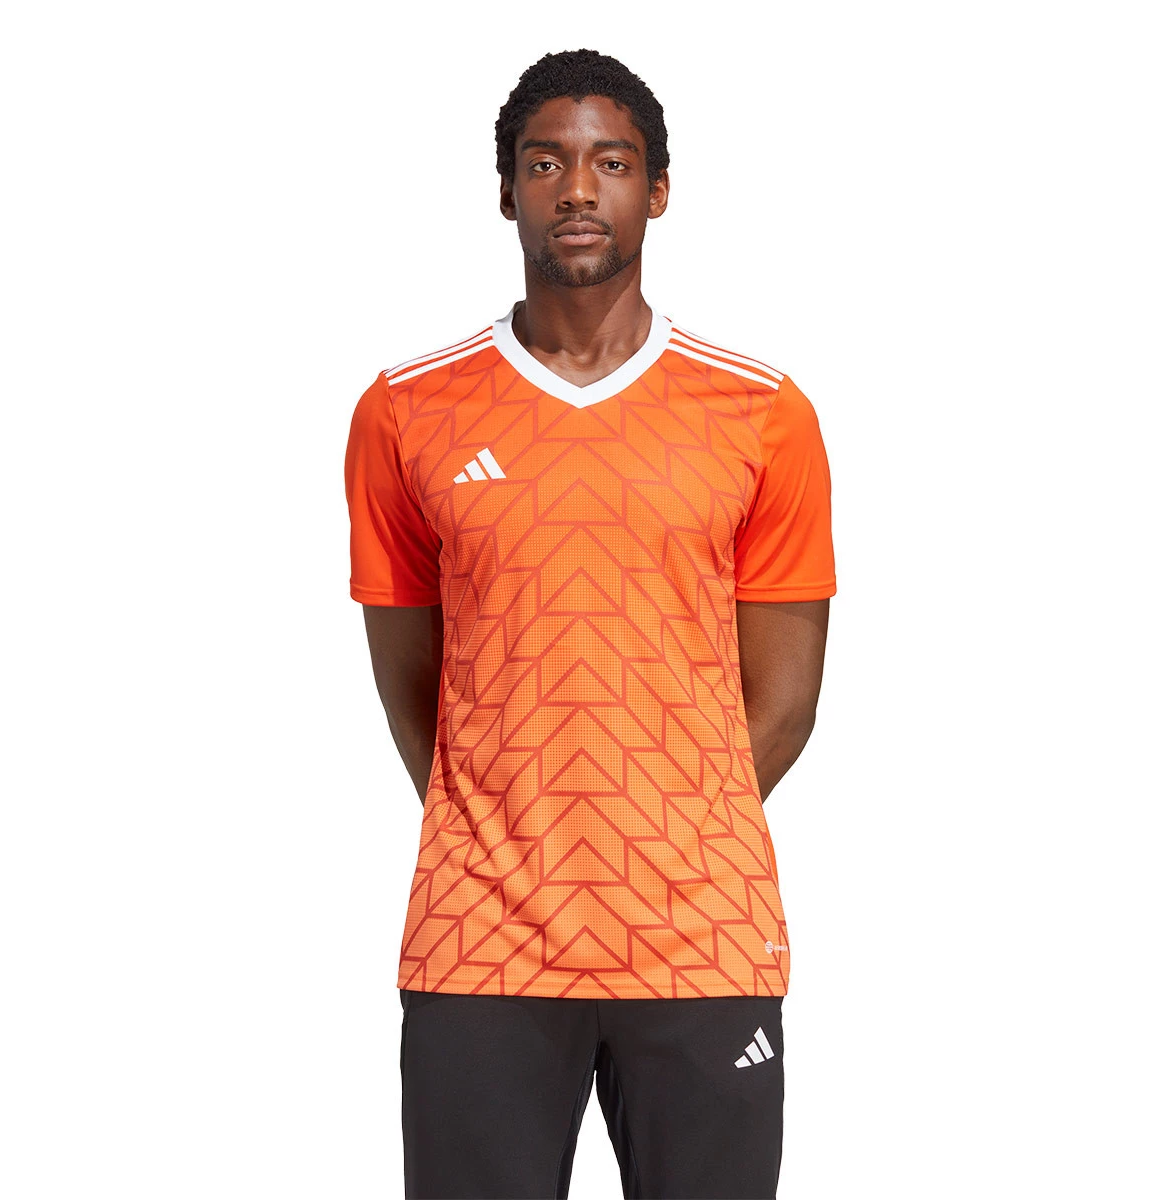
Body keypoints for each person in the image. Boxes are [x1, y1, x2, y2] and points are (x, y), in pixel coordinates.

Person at [344, 47, 836, 1200]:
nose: (577, 188)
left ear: (656, 190)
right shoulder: (405, 412)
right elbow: (413, 680)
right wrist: (509, 820)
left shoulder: (762, 412)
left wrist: (661, 833)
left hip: (701, 939)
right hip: (478, 943)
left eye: (611, 162)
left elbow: (784, 701)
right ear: (504, 190)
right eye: (545, 163)